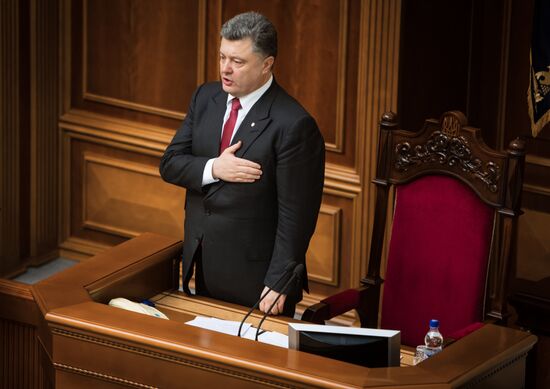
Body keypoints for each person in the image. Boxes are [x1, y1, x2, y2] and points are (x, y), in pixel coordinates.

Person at [159, 11, 324, 317]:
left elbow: (297, 215)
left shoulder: (294, 124)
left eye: (238, 61)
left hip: (256, 277)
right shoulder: (205, 97)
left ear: (267, 64)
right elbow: (170, 163)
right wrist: (213, 168)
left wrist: (280, 281)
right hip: (203, 260)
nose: (225, 69)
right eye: (222, 57)